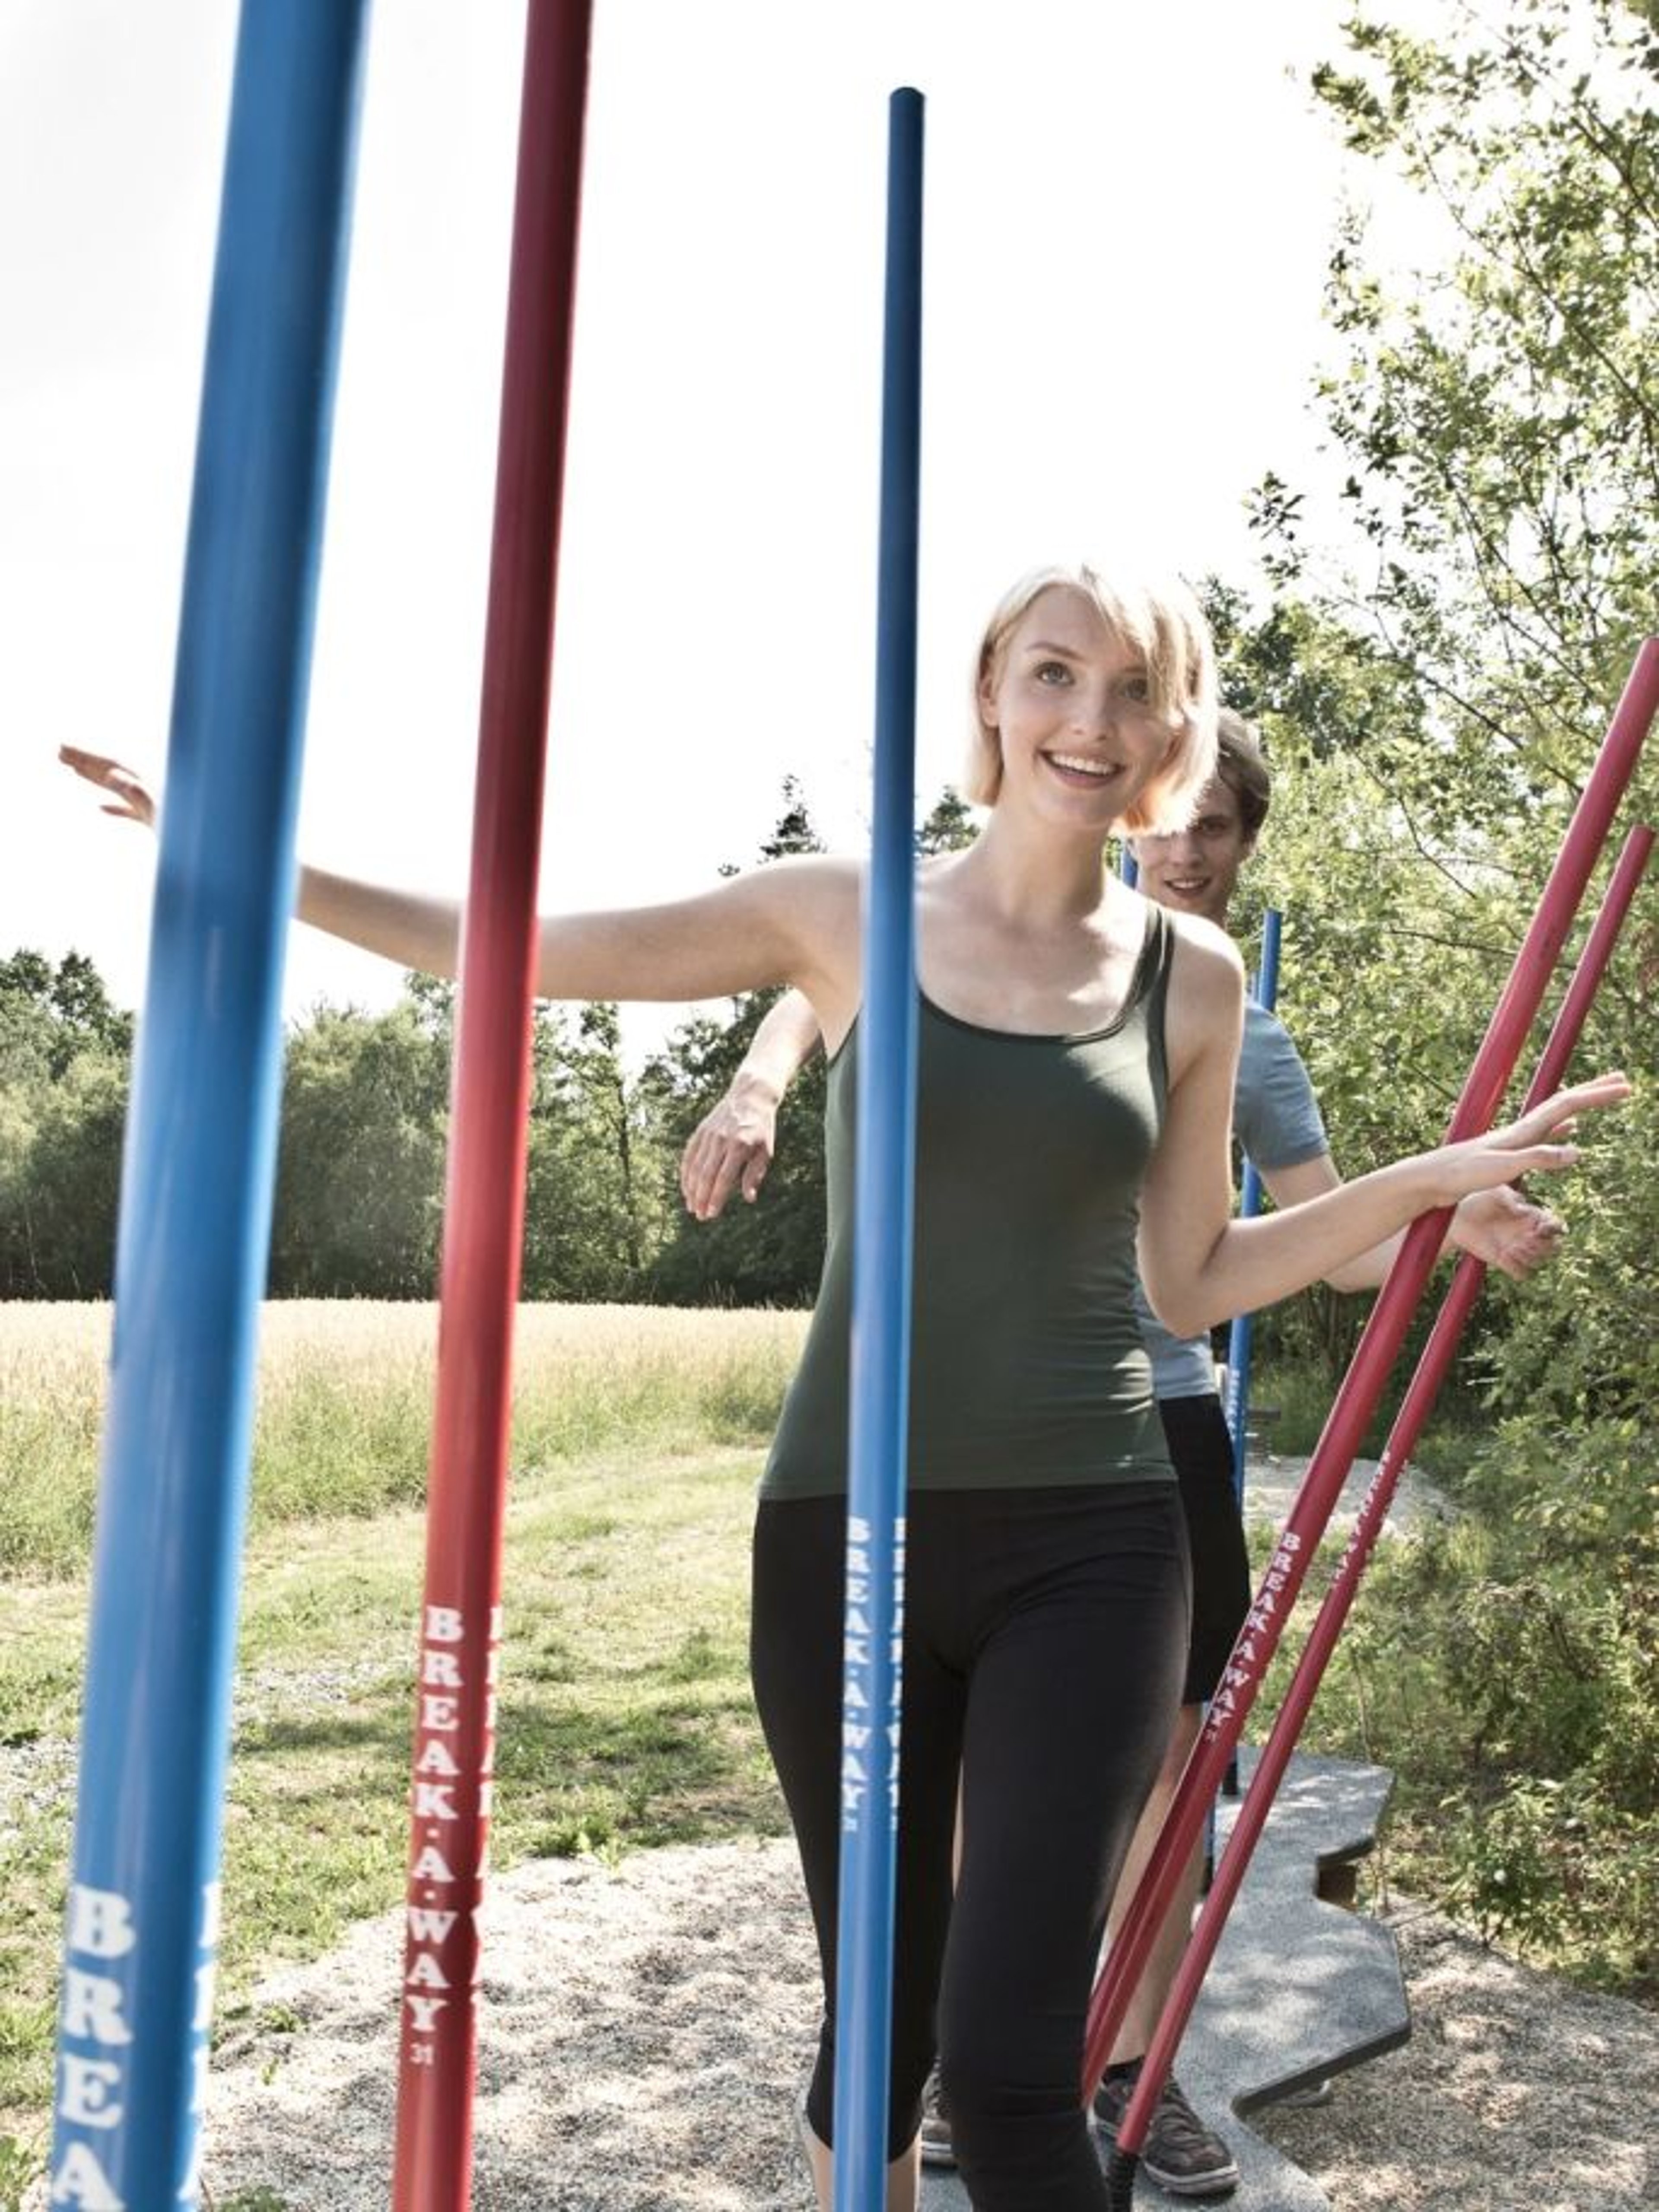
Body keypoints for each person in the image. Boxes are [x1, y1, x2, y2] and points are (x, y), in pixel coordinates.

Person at [59, 563, 1624, 2212]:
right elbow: (525, 946)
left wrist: (1427, 1188)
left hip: (1098, 1540)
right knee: (878, 2032)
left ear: (1176, 733)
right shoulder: (845, 912)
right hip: (846, 1530)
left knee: (1018, 2073)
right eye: (1053, 675)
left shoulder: (1193, 980)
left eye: (1133, 690)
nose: (1090, 720)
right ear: (992, 697)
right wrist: (253, 858)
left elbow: (1196, 1281)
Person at [677, 708, 1568, 2198]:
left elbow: (1291, 1243)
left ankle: (1120, 2072)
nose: (1188, 846)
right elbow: (814, 970)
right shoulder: (958, 934)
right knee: (955, 1793)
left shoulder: (1231, 1016)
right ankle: (959, 2051)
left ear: (1237, 845)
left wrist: (1435, 1212)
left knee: (1162, 1773)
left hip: (1149, 1437)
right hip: (962, 1438)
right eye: (1178, 816)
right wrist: (760, 1081)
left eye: (1220, 826)